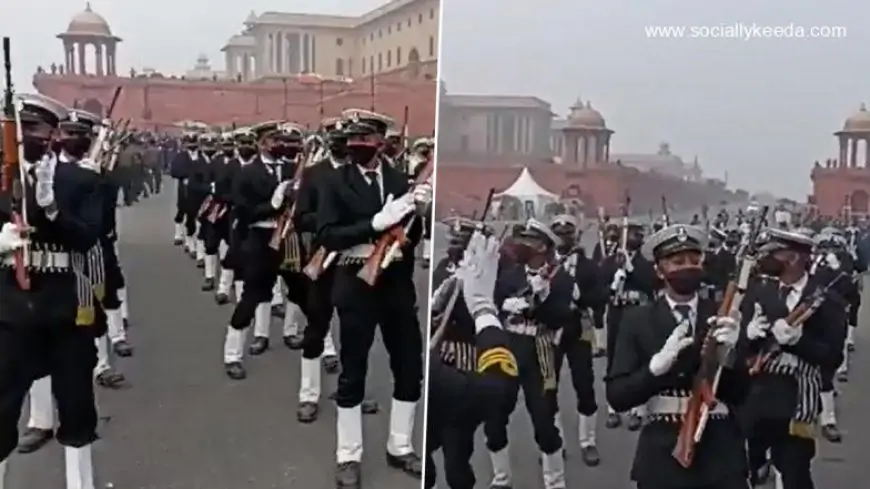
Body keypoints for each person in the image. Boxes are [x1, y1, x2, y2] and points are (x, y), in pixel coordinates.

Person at [317, 109, 431, 488]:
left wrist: (423, 212)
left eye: (364, 140)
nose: (356, 147)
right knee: (353, 370)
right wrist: (376, 224)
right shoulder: (335, 181)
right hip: (356, 279)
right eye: (352, 140)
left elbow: (415, 235)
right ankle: (348, 455)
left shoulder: (401, 181)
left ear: (381, 142)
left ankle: (400, 446)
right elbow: (329, 235)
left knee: (409, 366)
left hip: (396, 283)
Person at [0, 94, 103, 489]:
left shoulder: (82, 180)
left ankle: (80, 483)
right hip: (11, 309)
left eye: (37, 127)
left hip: (65, 307)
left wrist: (54, 212)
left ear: (54, 133)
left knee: (76, 405)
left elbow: (89, 237)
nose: (28, 135)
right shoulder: (2, 178)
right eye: (20, 126)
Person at [606, 224, 749, 489]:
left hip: (720, 447)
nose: (687, 267)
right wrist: (653, 371)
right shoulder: (637, 320)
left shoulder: (723, 315)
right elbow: (617, 394)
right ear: (659, 271)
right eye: (677, 261)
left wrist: (730, 356)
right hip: (663, 447)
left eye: (694, 260)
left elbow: (742, 393)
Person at [743, 228, 847, 489]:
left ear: (794, 257)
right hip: (758, 395)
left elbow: (832, 356)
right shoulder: (760, 293)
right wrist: (748, 334)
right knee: (746, 466)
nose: (767, 258)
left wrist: (799, 342)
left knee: (795, 471)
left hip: (798, 399)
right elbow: (741, 350)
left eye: (775, 252)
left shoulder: (827, 300)